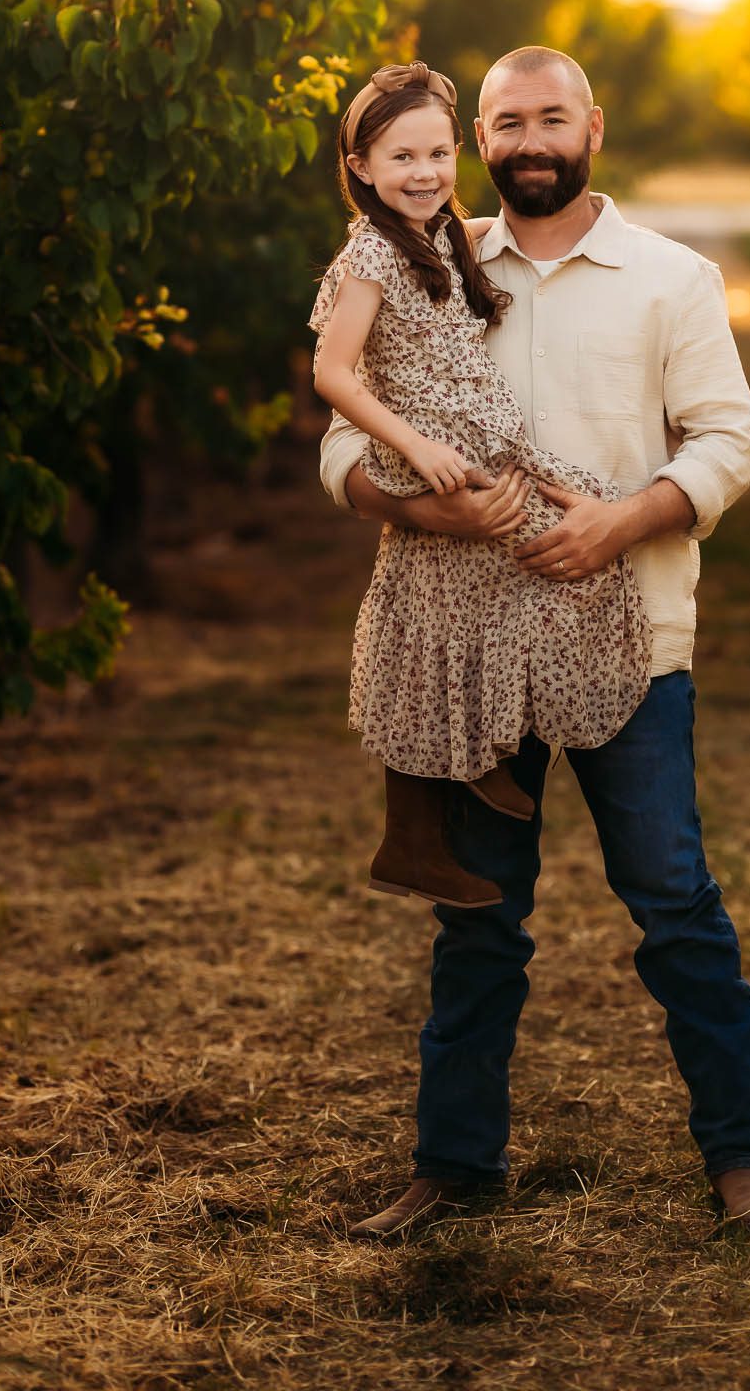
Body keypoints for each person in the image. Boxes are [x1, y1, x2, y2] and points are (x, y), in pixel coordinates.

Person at [319, 44, 750, 1235]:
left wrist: (621, 520)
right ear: (476, 139)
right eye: (502, 123)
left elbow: (725, 442)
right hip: (475, 649)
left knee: (673, 901)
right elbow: (338, 445)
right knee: (477, 913)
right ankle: (455, 1162)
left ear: (592, 123)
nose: (525, 141)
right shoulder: (421, 255)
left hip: (629, 639)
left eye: (548, 118)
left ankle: (744, 1161)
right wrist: (417, 503)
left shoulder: (669, 277)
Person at [310, 60, 653, 911]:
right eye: (400, 159)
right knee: (531, 555)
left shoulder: (438, 237)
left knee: (529, 563)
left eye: (435, 155)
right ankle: (415, 834)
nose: (423, 174)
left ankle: (482, 749)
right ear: (359, 168)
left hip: (475, 439)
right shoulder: (369, 256)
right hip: (434, 451)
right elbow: (332, 372)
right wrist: (416, 450)